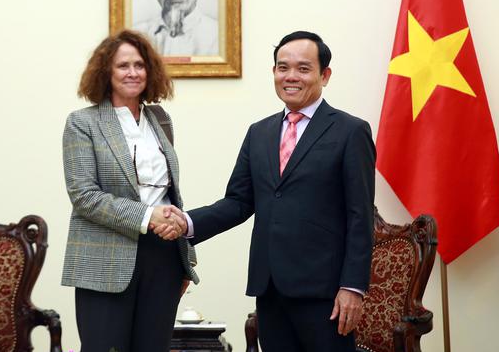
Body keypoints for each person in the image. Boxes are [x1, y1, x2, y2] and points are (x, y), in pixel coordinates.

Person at [156, 31, 376, 352]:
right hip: (270, 288)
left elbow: (360, 217)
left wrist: (353, 288)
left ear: (324, 75)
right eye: (282, 67)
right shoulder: (259, 133)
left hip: (325, 293)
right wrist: (185, 224)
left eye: (303, 68)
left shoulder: (350, 131)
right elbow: (238, 203)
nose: (290, 76)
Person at [61, 29, 198, 352]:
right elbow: (84, 196)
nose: (133, 72)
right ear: (106, 72)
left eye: (140, 65)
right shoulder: (82, 123)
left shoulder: (161, 120)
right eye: (123, 66)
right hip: (104, 259)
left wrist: (185, 258)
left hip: (163, 257)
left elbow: (171, 194)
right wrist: (149, 216)